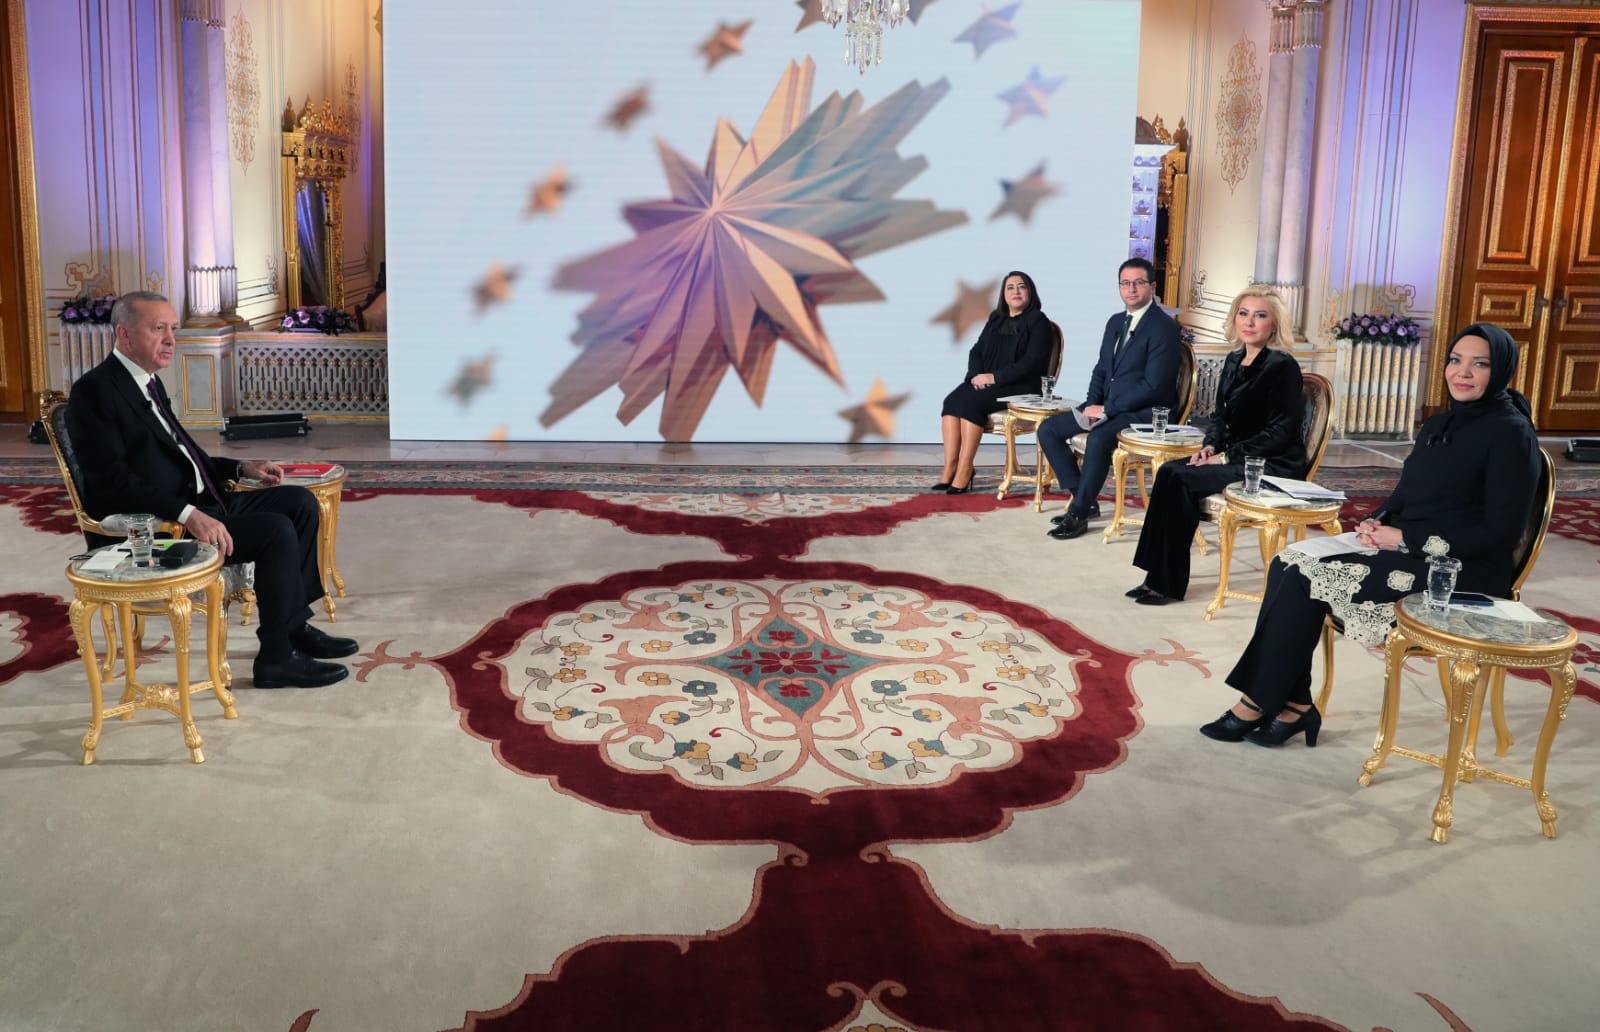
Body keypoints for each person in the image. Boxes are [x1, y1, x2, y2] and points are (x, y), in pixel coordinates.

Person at [1203, 323, 1541, 747]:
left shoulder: (1511, 433)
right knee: (1286, 562)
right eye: (1456, 360)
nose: (1463, 372)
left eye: (1480, 364)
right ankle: (1295, 705)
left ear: (1502, 370)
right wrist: (1376, 520)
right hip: (1409, 547)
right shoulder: (1440, 423)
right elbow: (1406, 493)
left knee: (1307, 578)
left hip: (1460, 573)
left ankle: (1257, 703)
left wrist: (1404, 539)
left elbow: (1501, 533)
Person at [65, 291, 358, 690]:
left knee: (300, 503)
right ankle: (275, 659)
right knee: (275, 530)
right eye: (158, 329)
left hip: (200, 503)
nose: (171, 339)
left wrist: (240, 468)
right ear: (124, 334)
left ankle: (293, 628)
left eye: (173, 329)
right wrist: (189, 515)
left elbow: (185, 455)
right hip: (157, 528)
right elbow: (111, 483)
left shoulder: (148, 382)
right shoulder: (95, 391)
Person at [1127, 285, 1306, 605]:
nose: (1249, 322)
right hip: (1235, 457)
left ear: (1274, 325)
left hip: (1270, 464)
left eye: (1260, 315)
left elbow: (1280, 432)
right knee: (1168, 471)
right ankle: (1154, 576)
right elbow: (1219, 418)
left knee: (1181, 478)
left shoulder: (1283, 366)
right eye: (1243, 313)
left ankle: (1167, 583)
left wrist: (1225, 457)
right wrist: (1210, 446)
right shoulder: (1234, 360)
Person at [1037, 258, 1182, 540]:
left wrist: (1107, 408)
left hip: (1146, 412)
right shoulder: (1115, 322)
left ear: (1152, 286)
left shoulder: (1164, 328)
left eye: (1138, 282)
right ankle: (1084, 499)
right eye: (1125, 283)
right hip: (1111, 407)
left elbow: (1154, 386)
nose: (1131, 288)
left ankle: (1078, 514)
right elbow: (1102, 368)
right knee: (1048, 429)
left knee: (1099, 438)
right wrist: (1091, 404)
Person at [935, 271, 1054, 494]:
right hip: (988, 382)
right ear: (1003, 294)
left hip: (1020, 385)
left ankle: (965, 469)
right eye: (1010, 287)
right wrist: (975, 375)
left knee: (971, 404)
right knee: (951, 401)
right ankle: (950, 466)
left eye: (1022, 286)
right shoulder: (996, 318)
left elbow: (1031, 363)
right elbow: (977, 350)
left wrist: (994, 378)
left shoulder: (1038, 321)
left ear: (1030, 292)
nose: (1016, 291)